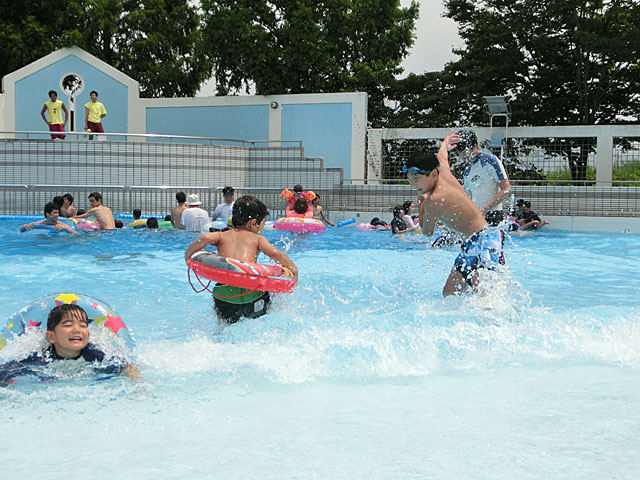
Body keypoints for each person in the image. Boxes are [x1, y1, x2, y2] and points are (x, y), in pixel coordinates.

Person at [405, 131, 505, 296]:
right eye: (410, 180)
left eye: (417, 180)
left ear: (433, 174)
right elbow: (442, 158)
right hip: (473, 242)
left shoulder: (433, 199)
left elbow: (427, 232)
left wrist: (422, 203)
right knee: (449, 293)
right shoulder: (444, 173)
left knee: (485, 299)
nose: (414, 185)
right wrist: (445, 143)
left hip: (483, 242)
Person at [184, 195, 298, 324]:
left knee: (224, 325)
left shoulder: (222, 236)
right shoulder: (257, 239)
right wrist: (293, 270)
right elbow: (277, 254)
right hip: (252, 293)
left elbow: (205, 237)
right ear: (253, 223)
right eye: (262, 223)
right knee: (262, 317)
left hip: (225, 294)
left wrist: (188, 256)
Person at [0, 303, 138, 386]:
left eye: (83, 326)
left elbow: (127, 367)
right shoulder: (39, 358)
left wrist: (137, 384)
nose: (77, 330)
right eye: (68, 325)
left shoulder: (94, 356)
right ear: (51, 337)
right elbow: (5, 372)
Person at [455, 129, 512, 225]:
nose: (462, 155)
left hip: (494, 216)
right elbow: (467, 198)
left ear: (474, 146)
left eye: (464, 151)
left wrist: (486, 209)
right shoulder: (467, 171)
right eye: (459, 152)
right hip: (477, 217)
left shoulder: (490, 160)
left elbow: (507, 189)